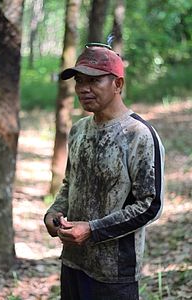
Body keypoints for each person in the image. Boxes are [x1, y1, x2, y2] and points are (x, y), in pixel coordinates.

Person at [44, 43, 165, 300]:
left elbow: (150, 204)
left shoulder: (138, 135)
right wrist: (53, 212)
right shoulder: (79, 130)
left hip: (115, 272)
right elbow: (70, 183)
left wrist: (92, 229)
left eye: (94, 81)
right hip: (74, 262)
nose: (83, 89)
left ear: (118, 84)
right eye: (79, 80)